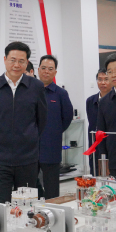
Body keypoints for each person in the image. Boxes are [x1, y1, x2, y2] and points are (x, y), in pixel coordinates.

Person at [0, 42, 47, 203]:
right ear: (5, 60)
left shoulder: (36, 87)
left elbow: (41, 120)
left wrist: (28, 138)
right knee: (1, 204)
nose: (16, 65)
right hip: (0, 159)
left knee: (26, 205)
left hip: (28, 159)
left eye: (21, 61)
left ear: (27, 63)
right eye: (12, 60)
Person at [37, 55, 73, 199]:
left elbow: (67, 117)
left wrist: (54, 131)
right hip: (30, 149)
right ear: (38, 69)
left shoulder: (61, 94)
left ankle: (52, 210)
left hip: (51, 147)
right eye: (43, 68)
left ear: (55, 72)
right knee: (29, 187)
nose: (46, 71)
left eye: (50, 69)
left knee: (51, 188)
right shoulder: (30, 91)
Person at [86, 68, 111, 174]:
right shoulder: (91, 101)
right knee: (95, 172)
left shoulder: (115, 100)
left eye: (106, 79)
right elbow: (91, 122)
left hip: (110, 142)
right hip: (95, 142)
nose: (103, 82)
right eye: (100, 79)